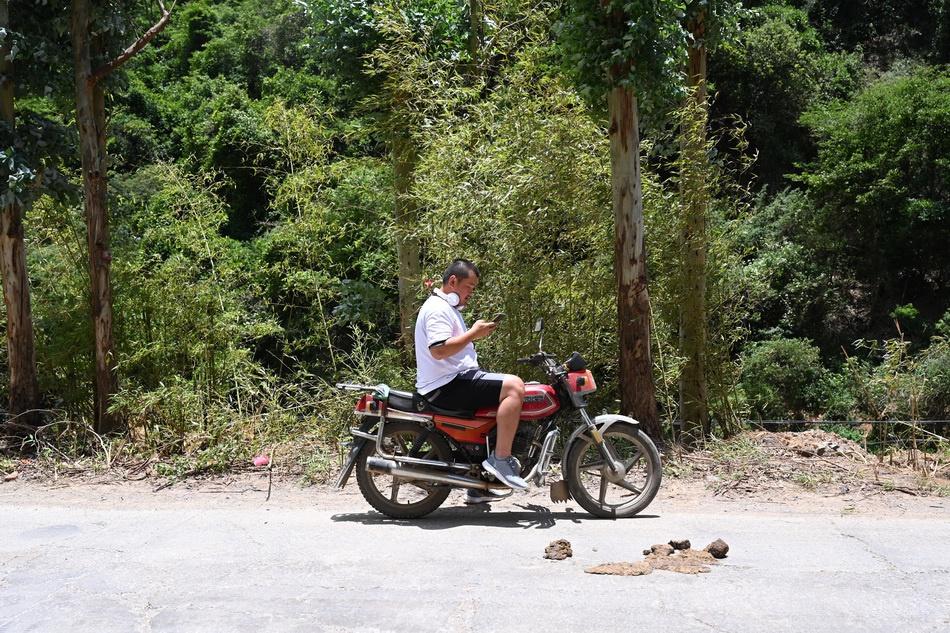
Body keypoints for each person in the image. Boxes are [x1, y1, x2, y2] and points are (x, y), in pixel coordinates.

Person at [414, 259, 527, 502]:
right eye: (469, 287)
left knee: (492, 410)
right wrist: (474, 333)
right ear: (453, 281)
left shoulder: (447, 308)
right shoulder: (437, 309)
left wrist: (475, 335)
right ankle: (501, 459)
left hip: (453, 380)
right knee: (515, 386)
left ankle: (478, 485)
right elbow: (439, 350)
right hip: (446, 385)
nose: (471, 293)